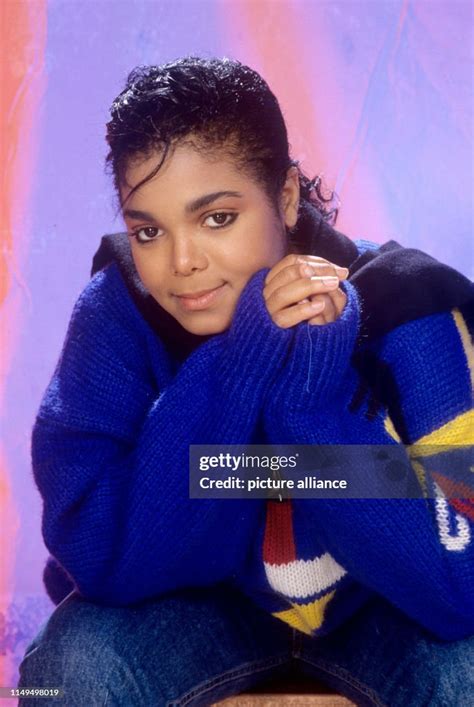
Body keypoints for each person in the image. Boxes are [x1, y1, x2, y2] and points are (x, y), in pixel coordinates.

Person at [18, 56, 474, 706]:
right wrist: (237, 367)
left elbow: (464, 582)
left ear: (286, 196)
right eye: (148, 229)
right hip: (202, 610)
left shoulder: (412, 306)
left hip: (384, 610)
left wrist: (310, 408)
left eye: (217, 218)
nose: (181, 264)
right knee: (65, 667)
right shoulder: (119, 308)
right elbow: (102, 552)